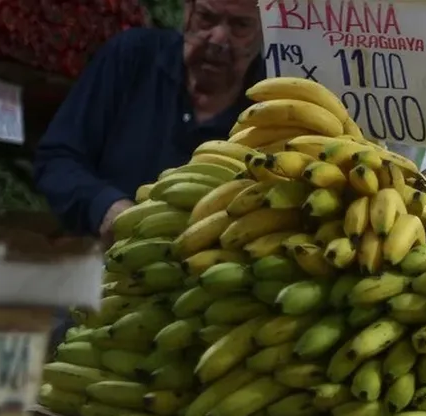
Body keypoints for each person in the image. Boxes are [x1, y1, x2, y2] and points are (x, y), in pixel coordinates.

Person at [34, 0, 264, 243]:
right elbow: (57, 158)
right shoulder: (131, 57)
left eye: (240, 25)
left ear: (262, 32)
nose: (217, 39)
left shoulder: (274, 107)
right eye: (206, 18)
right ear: (187, 13)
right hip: (104, 264)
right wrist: (103, 205)